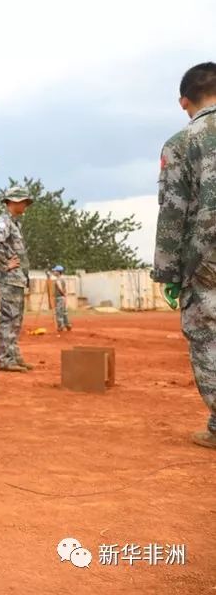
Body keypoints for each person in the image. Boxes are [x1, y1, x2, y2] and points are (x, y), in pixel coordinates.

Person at [152, 62, 216, 450]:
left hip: (206, 263)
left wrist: (168, 273)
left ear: (184, 101)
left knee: (208, 340)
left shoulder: (182, 143)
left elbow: (173, 213)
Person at [0, 188, 33, 372]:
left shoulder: (14, 223)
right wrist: (5, 263)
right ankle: (6, 358)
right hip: (8, 278)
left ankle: (13, 355)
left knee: (16, 319)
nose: (25, 205)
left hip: (16, 279)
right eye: (23, 201)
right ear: (13, 202)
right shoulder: (4, 222)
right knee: (9, 318)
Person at [50, 265, 72, 331]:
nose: (54, 272)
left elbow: (60, 288)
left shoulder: (58, 279)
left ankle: (61, 326)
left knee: (59, 312)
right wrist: (64, 296)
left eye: (55, 271)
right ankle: (67, 324)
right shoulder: (62, 279)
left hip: (59, 297)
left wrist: (62, 294)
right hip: (62, 297)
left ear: (58, 272)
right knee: (64, 311)